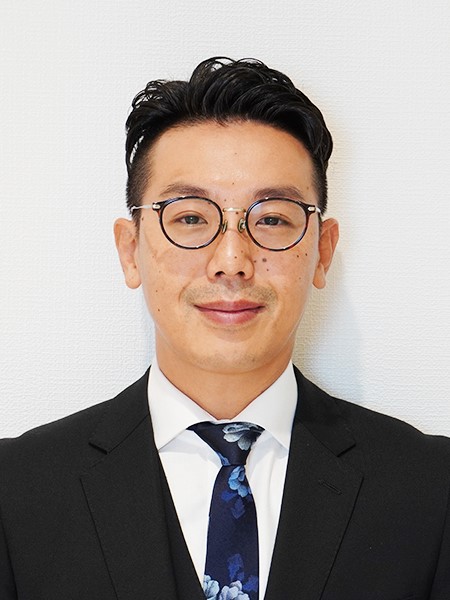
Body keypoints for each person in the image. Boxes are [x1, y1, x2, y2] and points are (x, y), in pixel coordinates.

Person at [0, 57, 449, 600]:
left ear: (323, 250)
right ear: (130, 250)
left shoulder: (432, 490)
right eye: (191, 217)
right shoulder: (16, 491)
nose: (232, 261)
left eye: (272, 218)